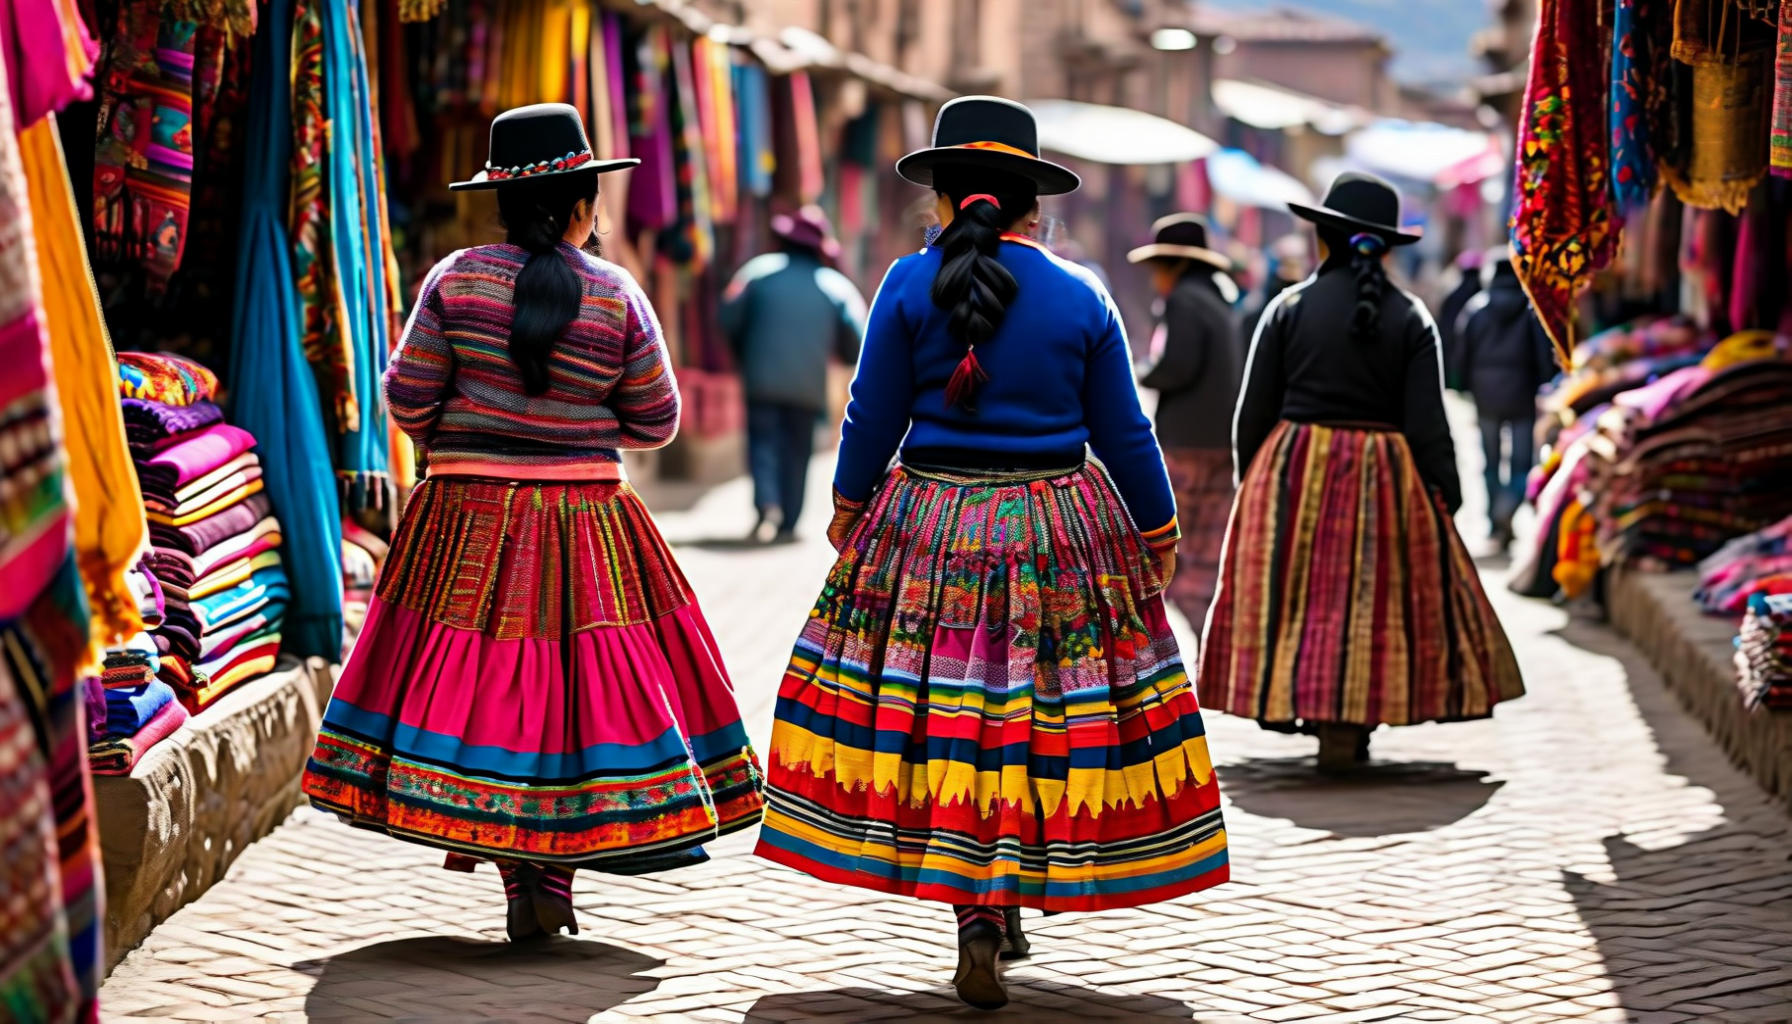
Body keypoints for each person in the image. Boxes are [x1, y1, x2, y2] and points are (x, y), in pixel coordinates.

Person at [754, 97, 1229, 1010]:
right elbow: (1126, 432)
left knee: (947, 715)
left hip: (926, 527)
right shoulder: (1081, 293)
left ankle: (974, 910)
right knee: (1033, 715)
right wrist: (1158, 531)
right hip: (1060, 530)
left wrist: (851, 508)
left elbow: (871, 412)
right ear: (1032, 207)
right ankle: (1005, 891)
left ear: (942, 201)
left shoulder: (901, 284)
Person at [300, 104, 764, 941]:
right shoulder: (618, 292)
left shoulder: (454, 278)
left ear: (503, 205)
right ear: (586, 205)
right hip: (587, 514)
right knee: (579, 697)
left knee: (485, 693)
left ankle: (521, 874)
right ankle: (553, 870)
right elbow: (657, 419)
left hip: (464, 520)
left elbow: (407, 399)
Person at [1199, 172, 1524, 773]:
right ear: (1387, 246)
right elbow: (1428, 421)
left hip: (1292, 469)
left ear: (1324, 237)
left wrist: (1253, 484)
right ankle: (1357, 714)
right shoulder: (1410, 317)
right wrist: (1444, 496)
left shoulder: (1286, 308)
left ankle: (1297, 699)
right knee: (1369, 602)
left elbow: (1254, 413)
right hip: (1386, 472)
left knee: (1303, 599)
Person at [720, 206, 866, 543]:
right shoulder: (836, 286)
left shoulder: (756, 273)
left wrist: (746, 354)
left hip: (761, 380)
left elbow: (728, 319)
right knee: (797, 453)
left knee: (763, 444)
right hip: (807, 387)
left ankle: (766, 503)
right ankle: (788, 521)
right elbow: (855, 343)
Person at [1130, 213, 1246, 630]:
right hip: (1219, 441)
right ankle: (1213, 635)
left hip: (1187, 445)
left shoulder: (1183, 301)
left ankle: (1197, 632)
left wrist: (1141, 372)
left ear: (1174, 265)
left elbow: (1178, 366)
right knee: (1208, 552)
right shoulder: (1217, 298)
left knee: (1176, 550)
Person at [1457, 250, 1556, 547]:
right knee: (1522, 461)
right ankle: (1506, 511)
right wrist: (1545, 385)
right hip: (1522, 393)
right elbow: (1543, 354)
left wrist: (1462, 386)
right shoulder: (1530, 309)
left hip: (1485, 394)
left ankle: (1495, 519)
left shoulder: (1475, 308)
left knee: (1489, 460)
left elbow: (1461, 353)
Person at [1239, 233, 1310, 345]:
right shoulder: (1258, 314)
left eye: (1295, 265)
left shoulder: (1308, 311)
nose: (1289, 273)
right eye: (1286, 265)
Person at [1437, 248, 1485, 388]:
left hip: (1454, 359)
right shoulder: (1482, 296)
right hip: (1479, 365)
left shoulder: (1451, 296)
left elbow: (1444, 330)